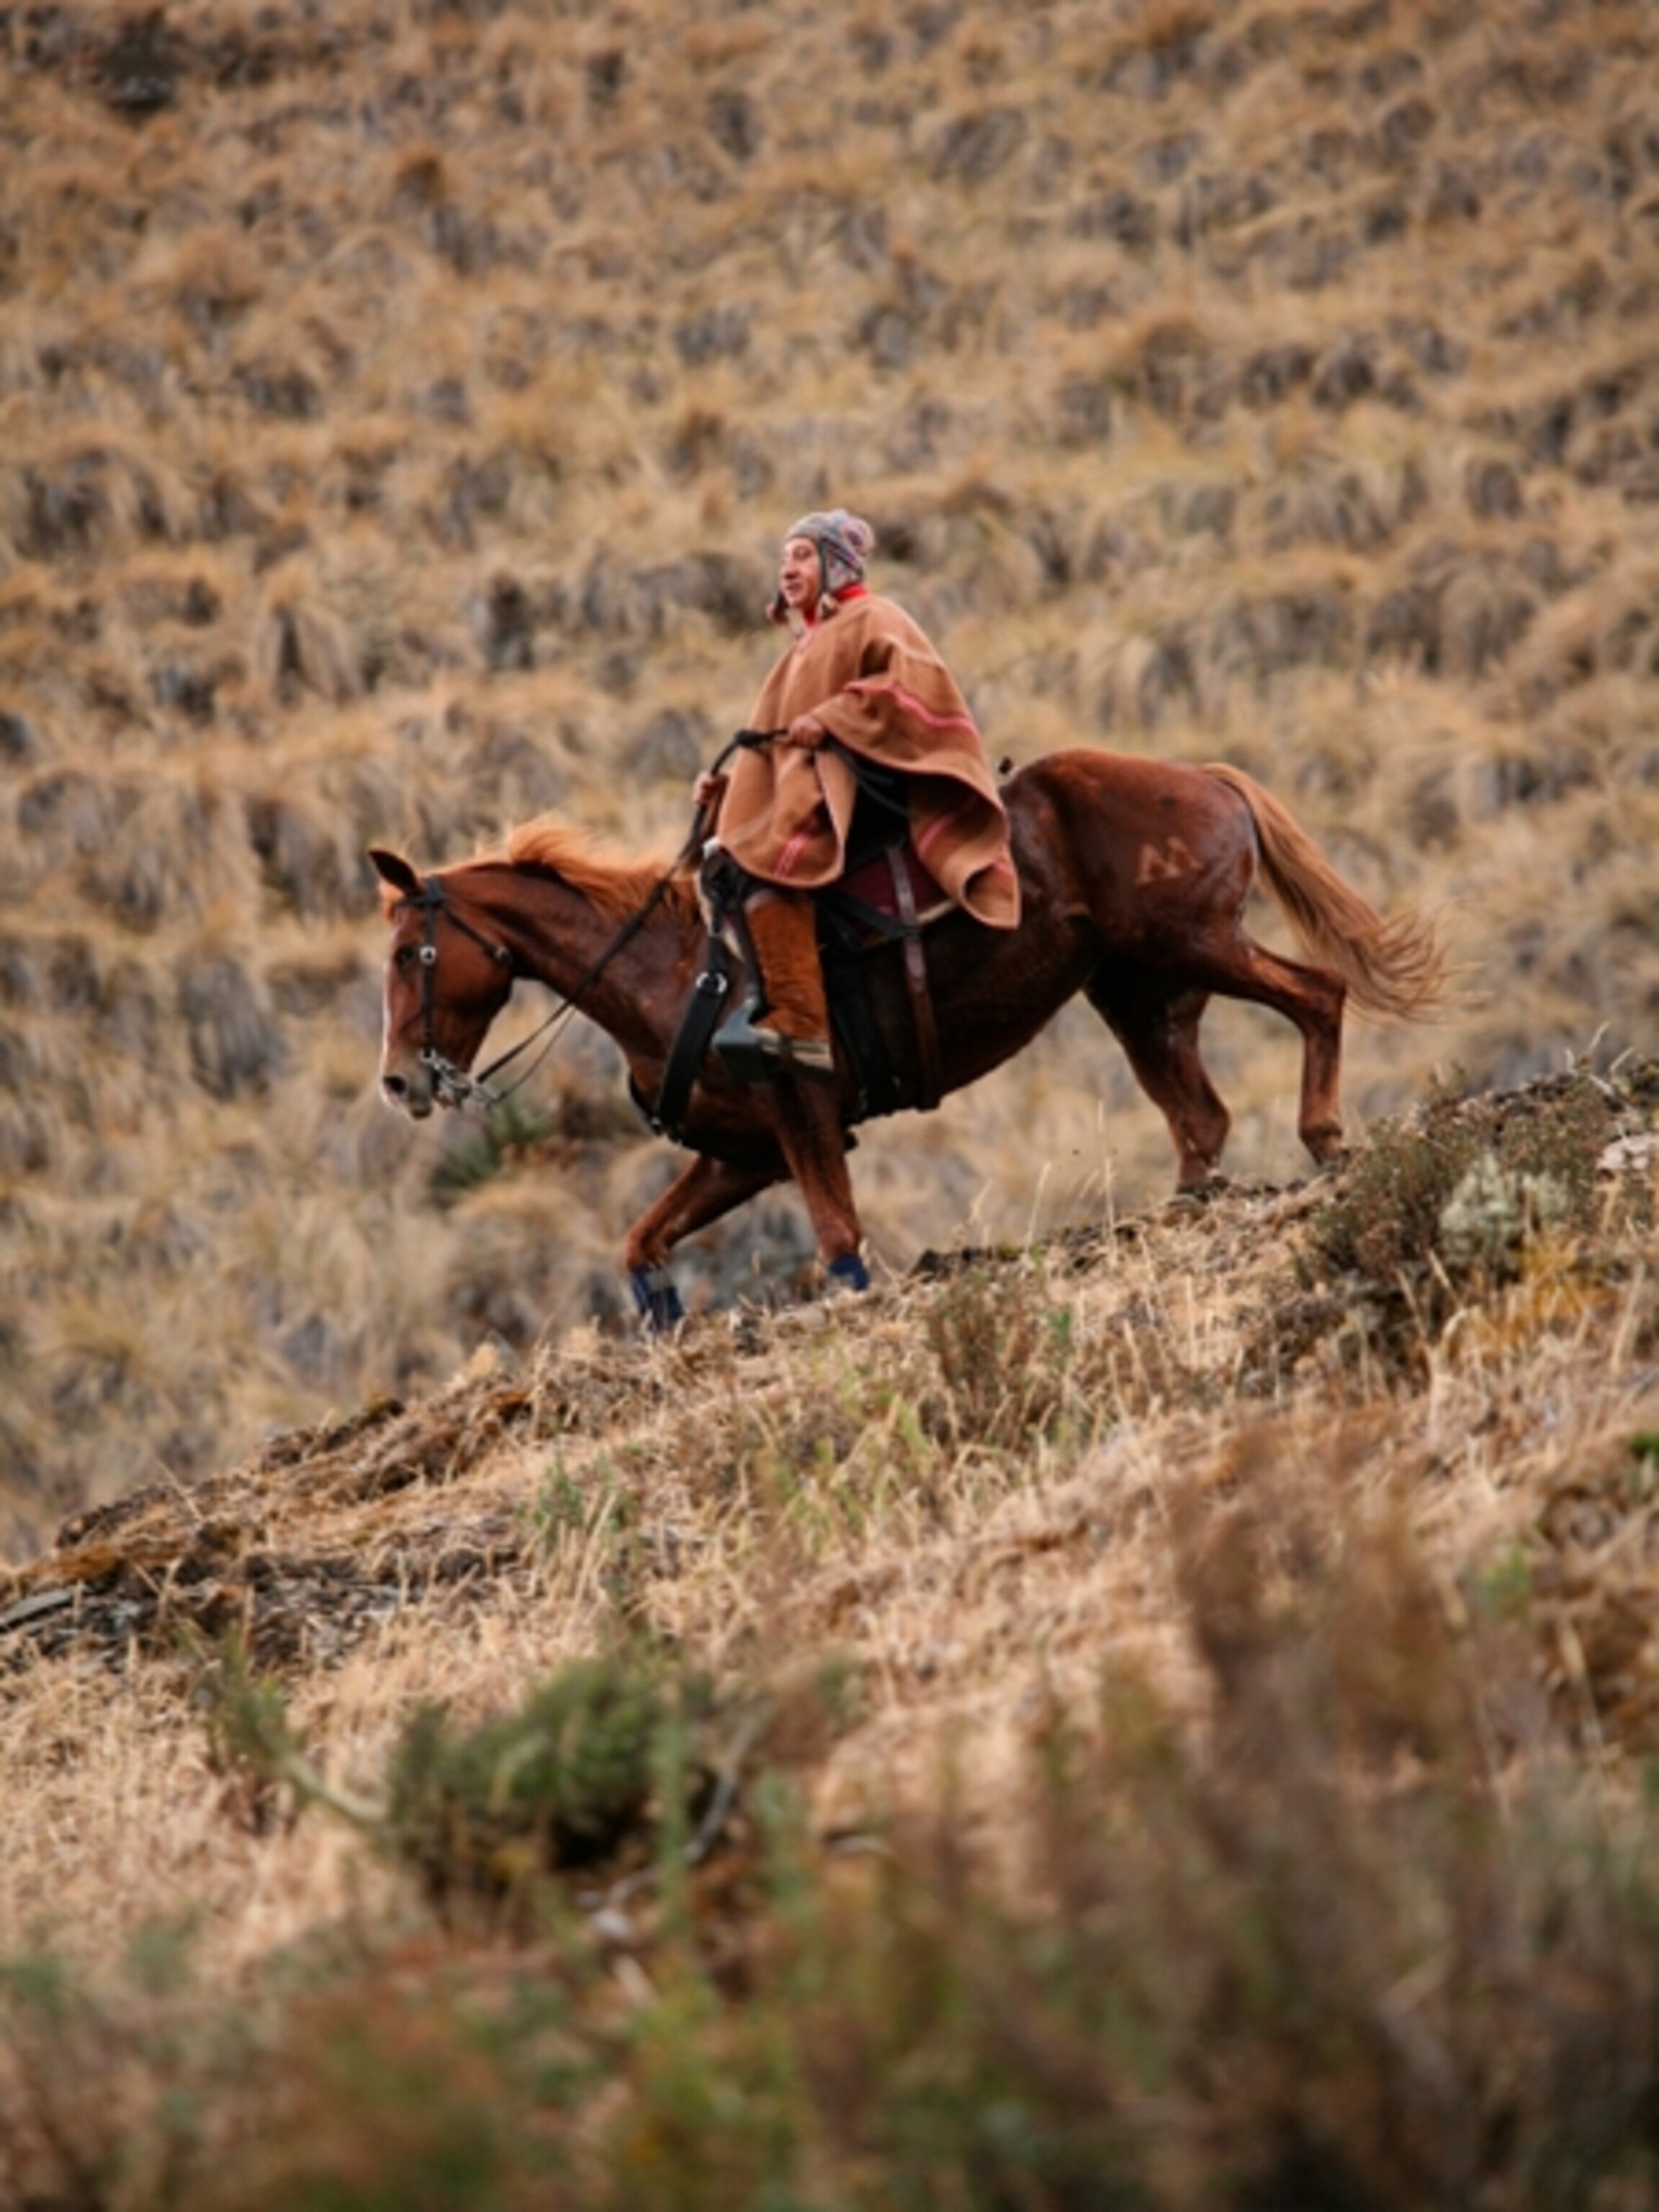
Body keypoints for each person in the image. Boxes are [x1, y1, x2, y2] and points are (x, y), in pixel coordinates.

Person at [694, 508, 1020, 1080]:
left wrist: (833, 717)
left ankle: (801, 1024)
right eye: (783, 559)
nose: (787, 569)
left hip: (861, 787)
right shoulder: (803, 646)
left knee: (766, 864)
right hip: (813, 782)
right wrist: (726, 790)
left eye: (802, 556)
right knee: (732, 854)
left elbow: (907, 689)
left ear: (836, 563)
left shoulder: (876, 616)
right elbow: (772, 746)